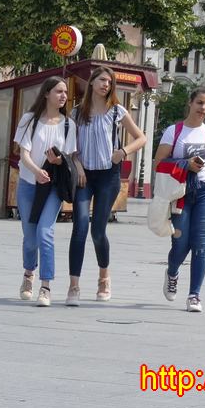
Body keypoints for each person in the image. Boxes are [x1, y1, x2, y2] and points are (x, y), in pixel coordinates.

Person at [66, 66, 146, 304]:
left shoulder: (117, 111)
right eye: (102, 80)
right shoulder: (77, 113)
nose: (106, 85)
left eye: (109, 82)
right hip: (84, 176)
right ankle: (74, 286)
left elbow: (141, 138)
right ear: (91, 82)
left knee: (98, 231)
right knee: (80, 226)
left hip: (108, 177)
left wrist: (124, 151)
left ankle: (104, 277)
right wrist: (77, 165)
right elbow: (70, 145)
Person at [154, 87, 205, 312]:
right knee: (180, 243)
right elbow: (158, 163)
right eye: (199, 103)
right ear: (190, 103)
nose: (203, 108)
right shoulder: (174, 131)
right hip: (181, 192)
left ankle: (194, 295)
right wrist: (185, 164)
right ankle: (172, 272)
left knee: (200, 245)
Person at [14, 76, 75, 307]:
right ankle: (28, 273)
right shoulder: (29, 119)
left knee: (45, 232)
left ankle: (46, 286)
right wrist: (37, 171)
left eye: (65, 92)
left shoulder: (69, 125)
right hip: (28, 183)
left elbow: (69, 158)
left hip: (52, 187)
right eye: (59, 91)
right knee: (30, 238)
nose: (63, 96)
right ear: (47, 93)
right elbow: (23, 154)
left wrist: (58, 161)